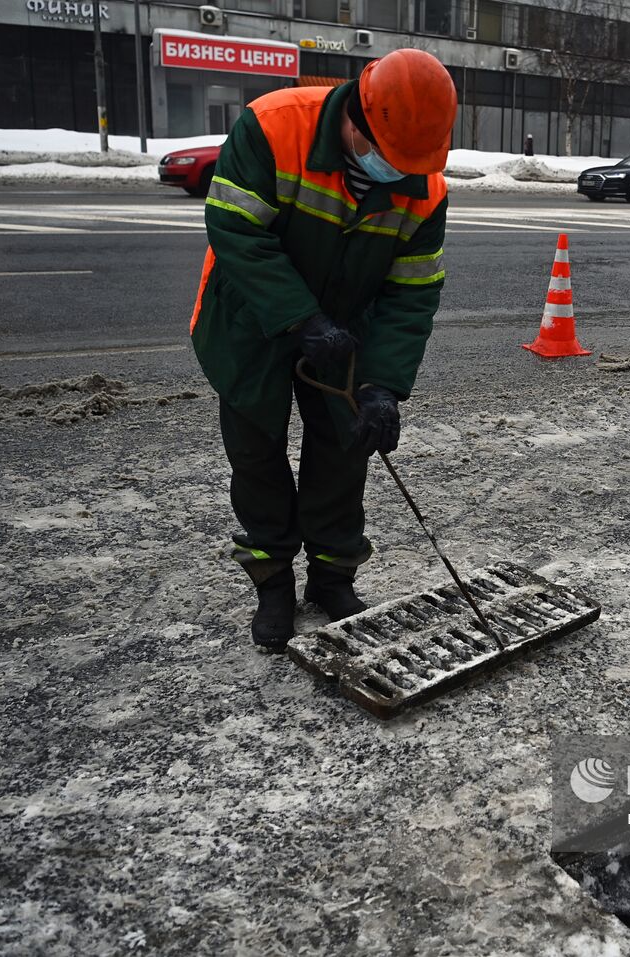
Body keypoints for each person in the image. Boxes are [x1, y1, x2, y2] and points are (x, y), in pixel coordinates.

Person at [189, 49, 456, 651]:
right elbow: (236, 232)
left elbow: (411, 294)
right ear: (356, 122)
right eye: (391, 156)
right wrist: (301, 319)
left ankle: (332, 578)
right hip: (250, 317)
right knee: (256, 453)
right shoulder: (274, 126)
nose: (402, 171)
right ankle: (273, 582)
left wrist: (383, 386)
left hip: (348, 323)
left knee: (345, 448)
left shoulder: (424, 187)